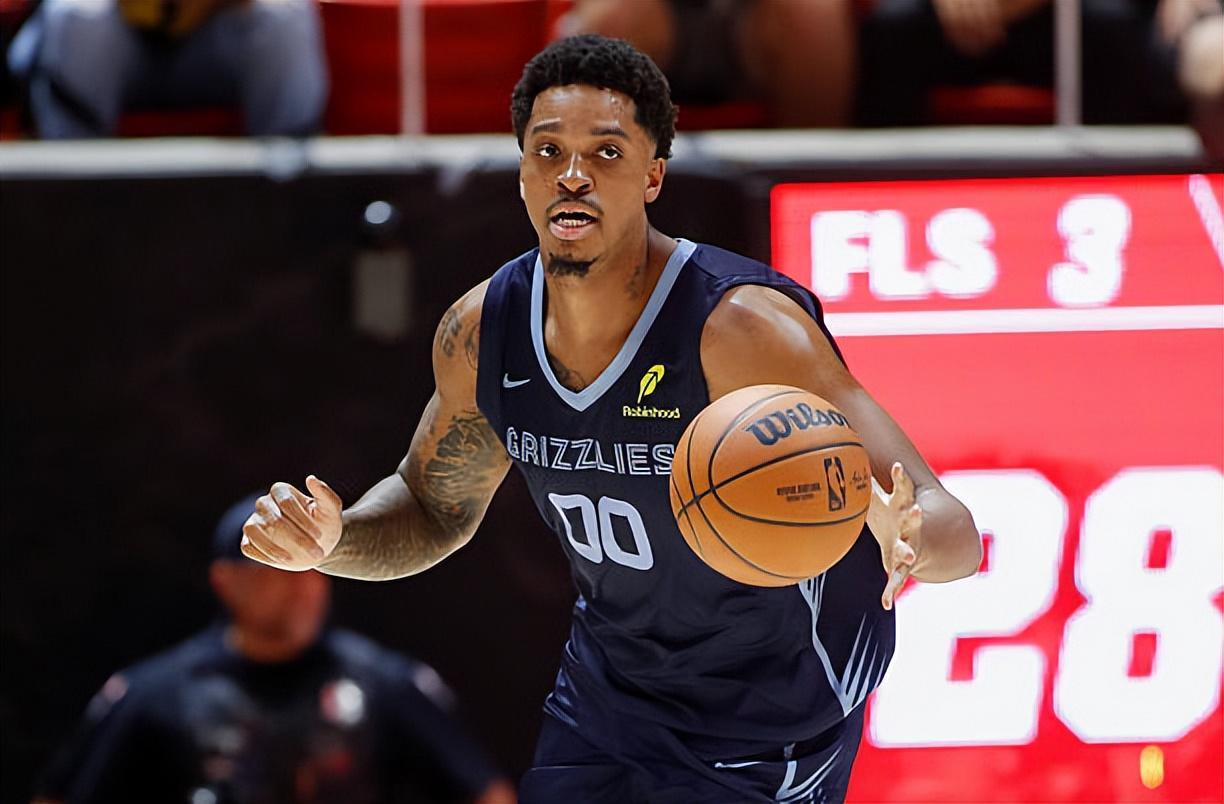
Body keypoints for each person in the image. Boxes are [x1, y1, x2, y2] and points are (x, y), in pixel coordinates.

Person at [240, 35, 981, 803]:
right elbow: (433, 508)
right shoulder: (484, 332)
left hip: (771, 717)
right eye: (548, 151)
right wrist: (334, 541)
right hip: (609, 704)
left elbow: (951, 526)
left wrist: (913, 537)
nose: (572, 175)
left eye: (606, 152)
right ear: (523, 171)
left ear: (653, 174)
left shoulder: (741, 329)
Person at [33, 496, 516, 804]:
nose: (304, 586)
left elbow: (487, 794)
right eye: (280, 568)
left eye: (316, 567)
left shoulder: (386, 682)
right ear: (226, 581)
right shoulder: (153, 694)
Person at [7, 0, 327, 139]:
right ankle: (72, 195)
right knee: (77, 16)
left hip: (214, 42)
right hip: (117, 43)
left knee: (287, 17)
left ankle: (287, 194)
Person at [556, 0, 858, 127]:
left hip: (753, 18)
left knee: (813, 15)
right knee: (609, 25)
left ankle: (808, 189)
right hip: (652, 13)